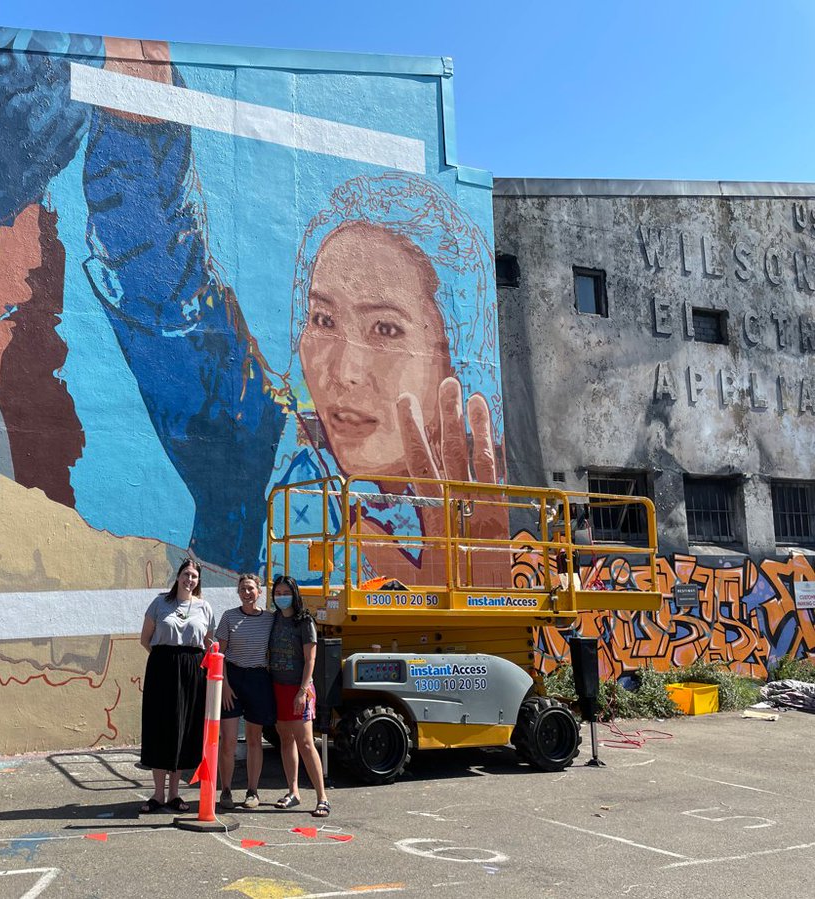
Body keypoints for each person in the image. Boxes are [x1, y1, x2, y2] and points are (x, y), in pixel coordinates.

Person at [82, 39, 507, 588]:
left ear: (454, 355)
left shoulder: (483, 510)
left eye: (385, 329)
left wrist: (478, 601)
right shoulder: (258, 447)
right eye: (323, 320)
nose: (344, 370)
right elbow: (163, 291)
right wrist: (136, 128)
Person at [138, 559, 214, 813]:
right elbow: (145, 639)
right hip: (162, 668)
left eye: (194, 576)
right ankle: (158, 794)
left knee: (183, 728)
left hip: (192, 671)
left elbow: (209, 643)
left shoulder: (204, 607)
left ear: (198, 580)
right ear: (178, 576)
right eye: (185, 574)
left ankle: (174, 794)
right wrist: (166, 659)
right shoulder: (160, 603)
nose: (189, 579)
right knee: (160, 727)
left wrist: (190, 664)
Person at [211, 573, 276, 810]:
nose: (246, 593)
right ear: (238, 592)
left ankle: (252, 791)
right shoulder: (229, 617)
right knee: (227, 741)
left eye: (250, 589)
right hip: (232, 679)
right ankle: (226, 790)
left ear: (259, 592)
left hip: (258, 680)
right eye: (242, 589)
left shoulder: (269, 619)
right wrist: (225, 685)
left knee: (254, 740)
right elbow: (219, 655)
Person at [268, 575, 329, 818]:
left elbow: (310, 659)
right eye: (278, 592)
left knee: (305, 742)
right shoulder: (273, 620)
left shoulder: (305, 622)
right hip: (277, 687)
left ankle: (322, 797)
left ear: (294, 594)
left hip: (298, 689)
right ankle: (293, 791)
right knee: (285, 739)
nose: (281, 596)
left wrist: (302, 691)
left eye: (286, 592)